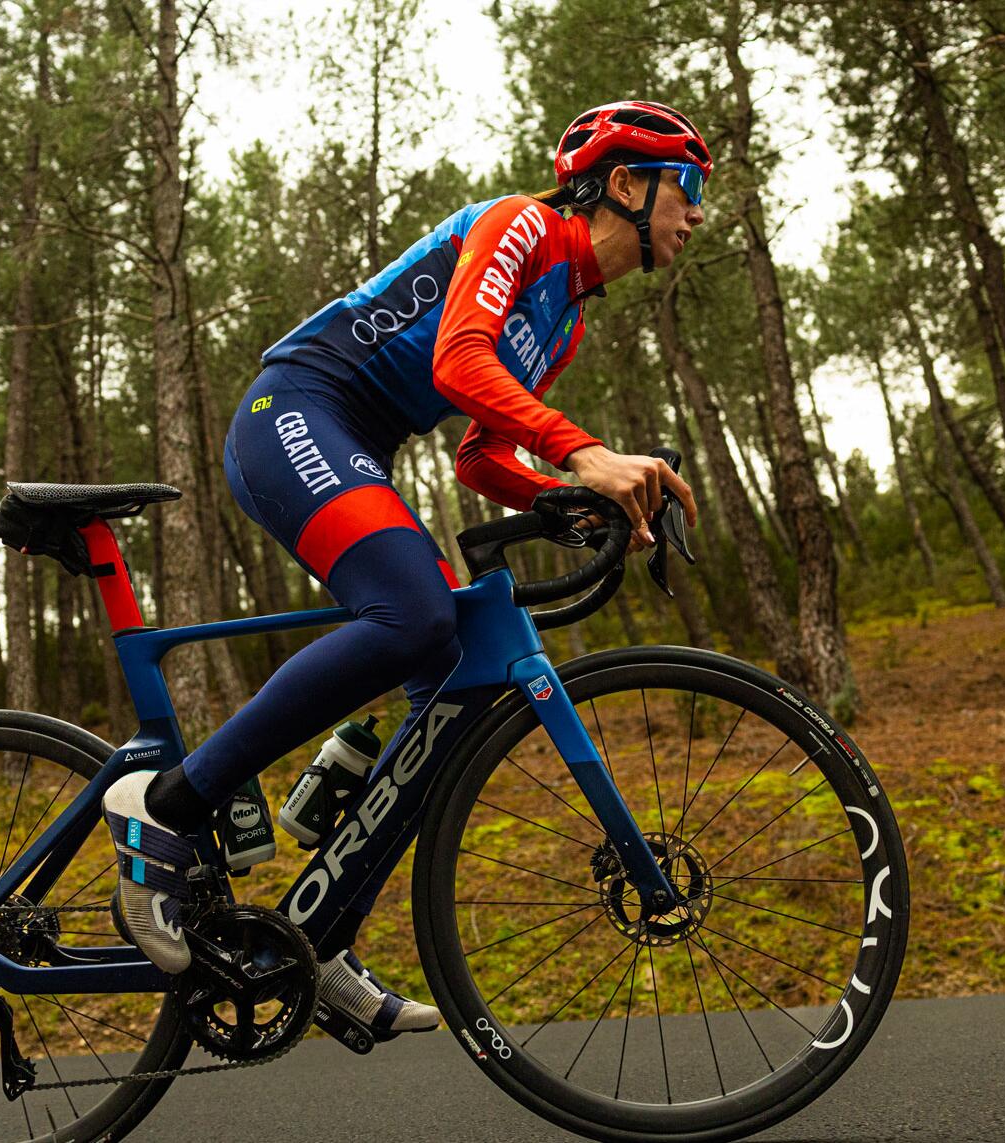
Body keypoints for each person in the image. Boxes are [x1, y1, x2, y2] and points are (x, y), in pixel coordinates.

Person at [103, 100, 708, 1035]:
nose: (697, 213)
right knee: (416, 615)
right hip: (296, 409)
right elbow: (463, 363)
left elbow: (477, 457)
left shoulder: (565, 323)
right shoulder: (523, 226)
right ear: (626, 184)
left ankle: (321, 926)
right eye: (688, 189)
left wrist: (559, 497)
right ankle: (170, 811)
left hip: (352, 440)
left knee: (449, 688)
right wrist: (584, 451)